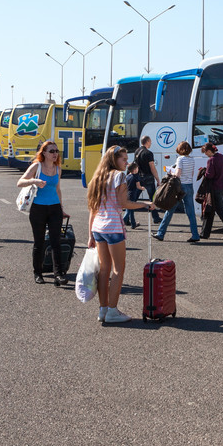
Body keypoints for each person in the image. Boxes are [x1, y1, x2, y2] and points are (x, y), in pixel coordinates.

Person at [87, 145, 155, 325]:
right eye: (123, 159)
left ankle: (103, 310)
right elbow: (124, 203)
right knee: (118, 269)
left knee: (104, 269)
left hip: (98, 227)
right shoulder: (119, 176)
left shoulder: (98, 177)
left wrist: (90, 235)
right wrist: (145, 203)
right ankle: (112, 310)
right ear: (114, 160)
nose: (127, 162)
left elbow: (92, 209)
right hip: (114, 227)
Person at [19, 140, 71, 285]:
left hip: (54, 208)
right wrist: (34, 181)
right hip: (38, 208)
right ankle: (38, 273)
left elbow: (58, 189)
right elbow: (20, 182)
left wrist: (61, 208)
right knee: (39, 242)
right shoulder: (37, 166)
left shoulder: (58, 169)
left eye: (56, 151)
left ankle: (58, 275)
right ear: (44, 153)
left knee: (56, 242)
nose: (55, 154)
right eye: (51, 151)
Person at [153, 141, 200, 243]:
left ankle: (161, 233)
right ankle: (195, 235)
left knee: (170, 209)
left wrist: (170, 172)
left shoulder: (180, 159)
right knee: (191, 212)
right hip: (189, 186)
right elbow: (191, 174)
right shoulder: (191, 159)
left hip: (179, 187)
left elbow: (178, 174)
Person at [198, 142, 223, 241]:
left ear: (208, 151)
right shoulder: (221, 156)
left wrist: (204, 171)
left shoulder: (211, 160)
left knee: (218, 211)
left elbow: (209, 175)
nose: (205, 154)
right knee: (211, 210)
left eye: (205, 152)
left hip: (214, 189)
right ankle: (204, 234)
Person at [134, 135, 162, 224]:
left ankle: (126, 217)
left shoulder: (137, 151)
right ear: (147, 142)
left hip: (139, 177)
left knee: (133, 199)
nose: (151, 143)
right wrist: (157, 179)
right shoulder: (149, 153)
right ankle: (155, 218)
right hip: (148, 178)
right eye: (150, 142)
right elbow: (152, 167)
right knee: (152, 198)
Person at [123, 162, 142, 229]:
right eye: (137, 168)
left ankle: (133, 224)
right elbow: (138, 186)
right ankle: (122, 222)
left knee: (131, 210)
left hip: (127, 194)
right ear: (134, 170)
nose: (138, 169)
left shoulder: (127, 176)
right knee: (129, 210)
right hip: (133, 194)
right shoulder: (136, 177)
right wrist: (142, 188)